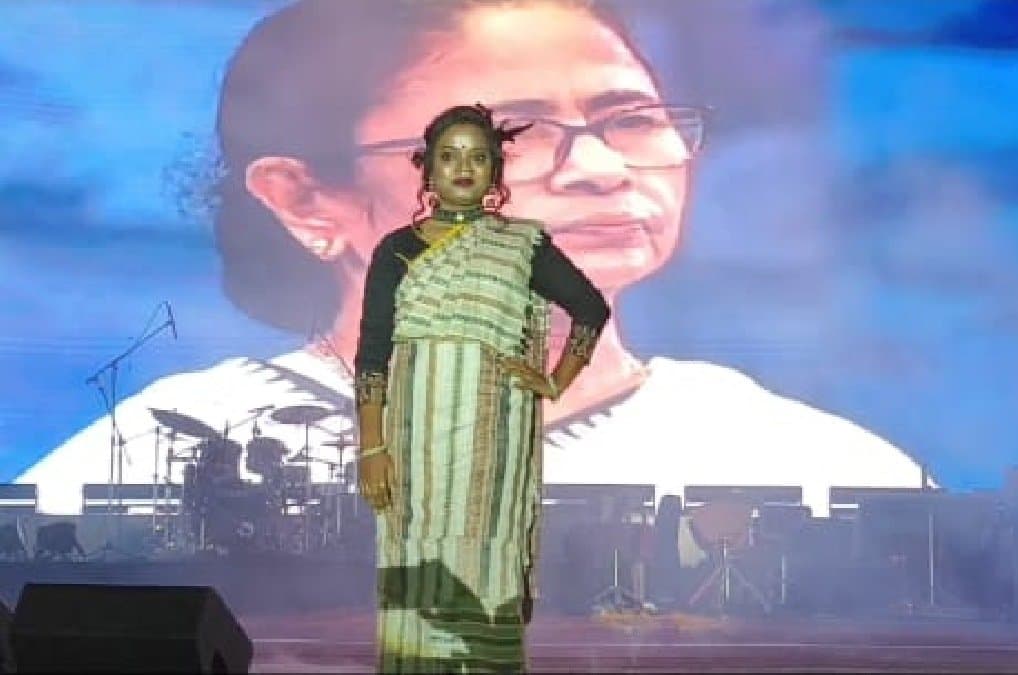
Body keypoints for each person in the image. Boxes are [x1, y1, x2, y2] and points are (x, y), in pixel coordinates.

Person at [20, 0, 924, 522]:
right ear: (308, 198)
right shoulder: (161, 452)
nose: (605, 170)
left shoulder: (802, 459)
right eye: (511, 135)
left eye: (630, 120)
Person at [353, 101, 609, 672]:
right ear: (426, 171)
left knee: (483, 554)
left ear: (495, 171)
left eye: (478, 157)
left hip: (491, 446)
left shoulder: (520, 245)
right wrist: (371, 449)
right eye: (448, 157)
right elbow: (371, 357)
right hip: (414, 442)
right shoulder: (395, 249)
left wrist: (555, 381)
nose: (462, 168)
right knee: (415, 551)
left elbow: (590, 309)